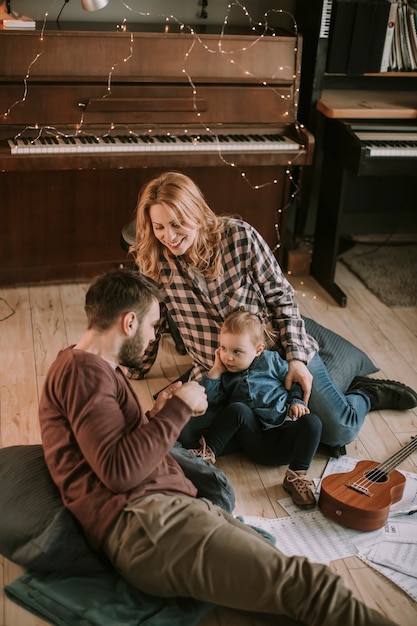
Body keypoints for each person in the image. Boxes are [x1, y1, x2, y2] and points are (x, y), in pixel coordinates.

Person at [39, 267, 398, 626]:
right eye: (152, 327)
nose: (152, 338)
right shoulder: (83, 373)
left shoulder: (93, 369)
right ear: (129, 322)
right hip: (152, 526)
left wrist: (156, 418)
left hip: (166, 515)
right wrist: (180, 408)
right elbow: (118, 471)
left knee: (288, 586)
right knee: (314, 586)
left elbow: (114, 448)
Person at [130, 171, 417, 451]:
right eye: (159, 227)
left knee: (339, 430)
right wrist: (134, 368)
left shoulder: (239, 237)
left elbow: (282, 297)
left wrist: (295, 359)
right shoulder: (154, 260)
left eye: (177, 224)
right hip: (218, 370)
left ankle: (366, 393)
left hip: (274, 355)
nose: (168, 236)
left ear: (195, 213)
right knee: (179, 435)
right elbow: (152, 323)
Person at [184, 310, 322, 508]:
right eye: (223, 348)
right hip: (255, 440)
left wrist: (297, 402)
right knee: (237, 408)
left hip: (285, 438)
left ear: (258, 350)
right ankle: (208, 452)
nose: (228, 357)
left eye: (236, 351)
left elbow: (295, 382)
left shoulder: (271, 361)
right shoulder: (227, 375)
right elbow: (209, 399)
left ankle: (296, 476)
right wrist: (216, 370)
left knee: (313, 422)